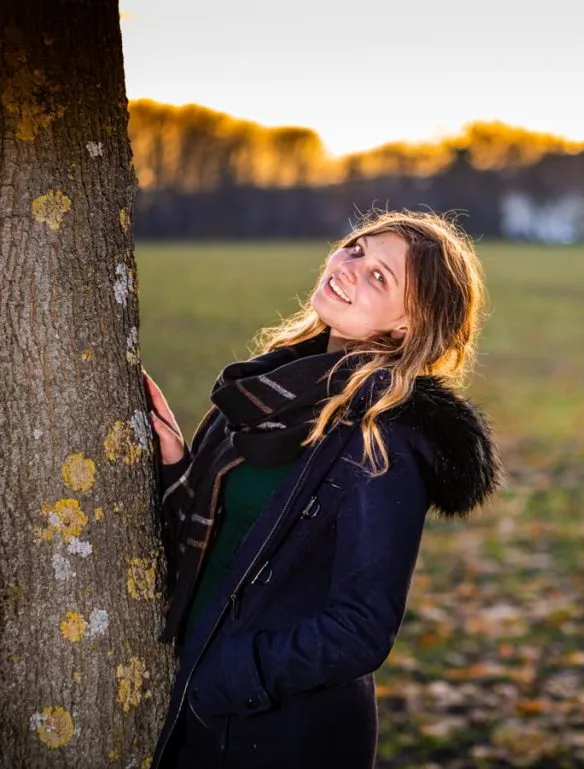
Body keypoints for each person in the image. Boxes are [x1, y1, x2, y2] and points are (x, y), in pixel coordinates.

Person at [143, 210, 503, 769]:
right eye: (357, 249)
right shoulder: (265, 393)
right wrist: (174, 466)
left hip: (277, 735)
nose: (350, 267)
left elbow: (362, 628)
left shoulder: (383, 439)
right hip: (201, 710)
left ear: (406, 327)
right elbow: (224, 542)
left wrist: (223, 679)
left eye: (380, 277)